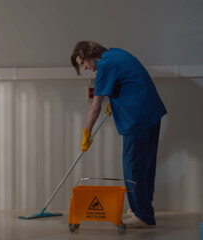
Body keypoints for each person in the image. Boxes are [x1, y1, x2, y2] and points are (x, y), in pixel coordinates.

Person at [70, 41, 167, 228]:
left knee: (132, 166)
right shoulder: (116, 54)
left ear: (90, 55)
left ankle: (143, 216)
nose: (85, 68)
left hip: (137, 118)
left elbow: (94, 107)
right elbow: (129, 81)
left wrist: (86, 133)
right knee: (146, 164)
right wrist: (115, 102)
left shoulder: (104, 66)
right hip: (152, 113)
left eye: (83, 63)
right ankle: (144, 207)